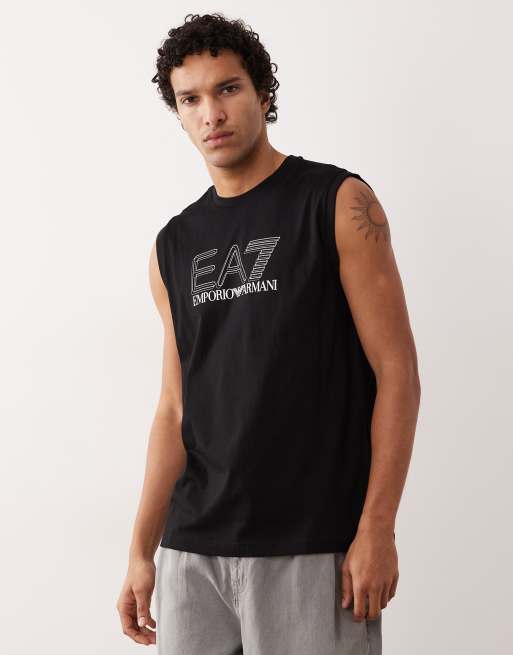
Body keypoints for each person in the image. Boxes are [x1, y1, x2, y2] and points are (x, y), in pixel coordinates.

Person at [116, 12, 421, 654]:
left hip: (310, 544)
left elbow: (397, 373)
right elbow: (174, 408)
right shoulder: (172, 246)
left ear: (262, 92)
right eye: (190, 99)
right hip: (192, 552)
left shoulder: (336, 202)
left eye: (227, 89)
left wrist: (378, 528)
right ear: (178, 113)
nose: (211, 114)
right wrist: (141, 550)